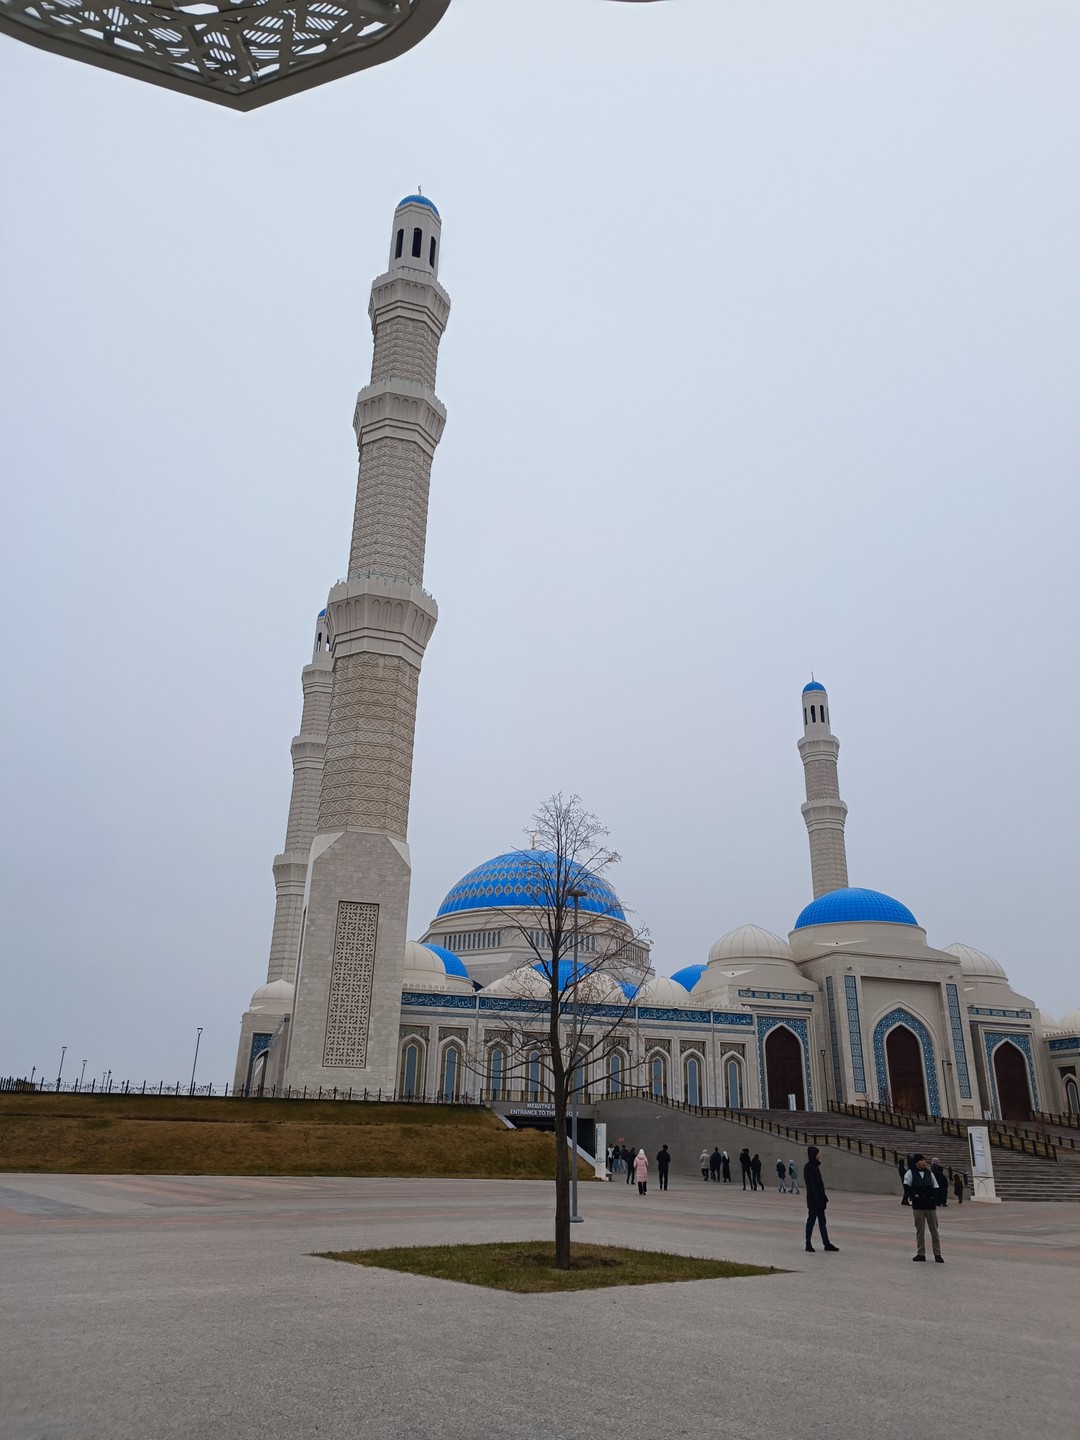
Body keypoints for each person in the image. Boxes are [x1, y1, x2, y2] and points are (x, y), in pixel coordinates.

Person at [903, 1154, 943, 1262]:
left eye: (925, 1160)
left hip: (930, 1206)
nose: (924, 1162)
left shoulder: (930, 1174)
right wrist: (914, 1196)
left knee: (934, 1231)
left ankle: (937, 1254)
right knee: (920, 1231)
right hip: (918, 1206)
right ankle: (921, 1253)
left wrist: (933, 1198)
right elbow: (906, 1185)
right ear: (917, 1162)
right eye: (922, 1160)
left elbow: (936, 1187)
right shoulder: (910, 1173)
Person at [803, 1145, 839, 1252]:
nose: (819, 1156)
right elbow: (811, 1187)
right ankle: (808, 1243)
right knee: (811, 1221)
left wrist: (823, 1198)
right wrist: (817, 1201)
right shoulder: (808, 1167)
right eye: (817, 1154)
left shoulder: (815, 1167)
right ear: (813, 1155)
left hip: (819, 1201)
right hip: (814, 1202)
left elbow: (819, 1186)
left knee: (822, 1223)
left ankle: (826, 1243)